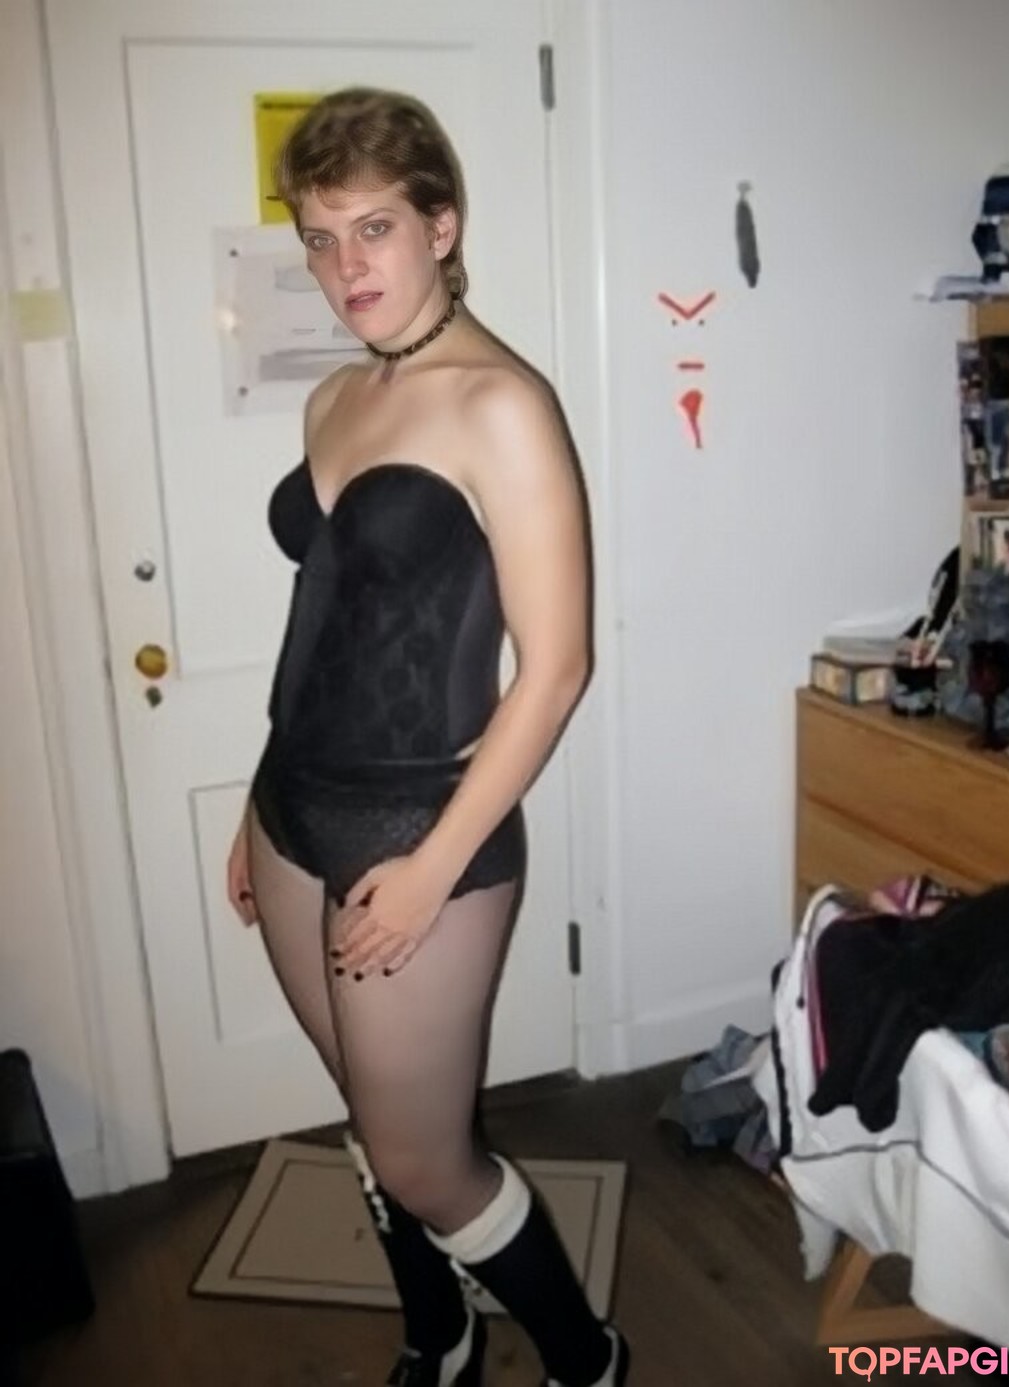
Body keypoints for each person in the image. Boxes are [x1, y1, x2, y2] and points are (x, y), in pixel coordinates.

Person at [225, 87, 630, 1387]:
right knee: (371, 1110)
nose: (345, 266)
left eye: (375, 228)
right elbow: (320, 624)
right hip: (295, 807)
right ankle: (439, 1331)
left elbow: (555, 669)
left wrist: (433, 867)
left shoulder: (503, 405)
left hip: (420, 827)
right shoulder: (337, 400)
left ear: (441, 226)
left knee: (422, 1155)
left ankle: (586, 1360)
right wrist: (255, 805)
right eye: (320, 236)